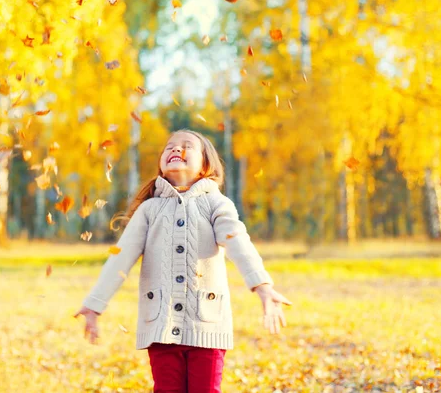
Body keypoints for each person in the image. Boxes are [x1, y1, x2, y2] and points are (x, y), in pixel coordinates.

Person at [75, 129, 292, 392]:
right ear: (161, 164)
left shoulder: (216, 204)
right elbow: (120, 260)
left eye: (187, 146)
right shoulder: (149, 210)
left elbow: (238, 243)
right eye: (170, 147)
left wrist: (263, 287)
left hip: (207, 325)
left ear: (205, 165)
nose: (176, 149)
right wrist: (94, 305)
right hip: (161, 327)